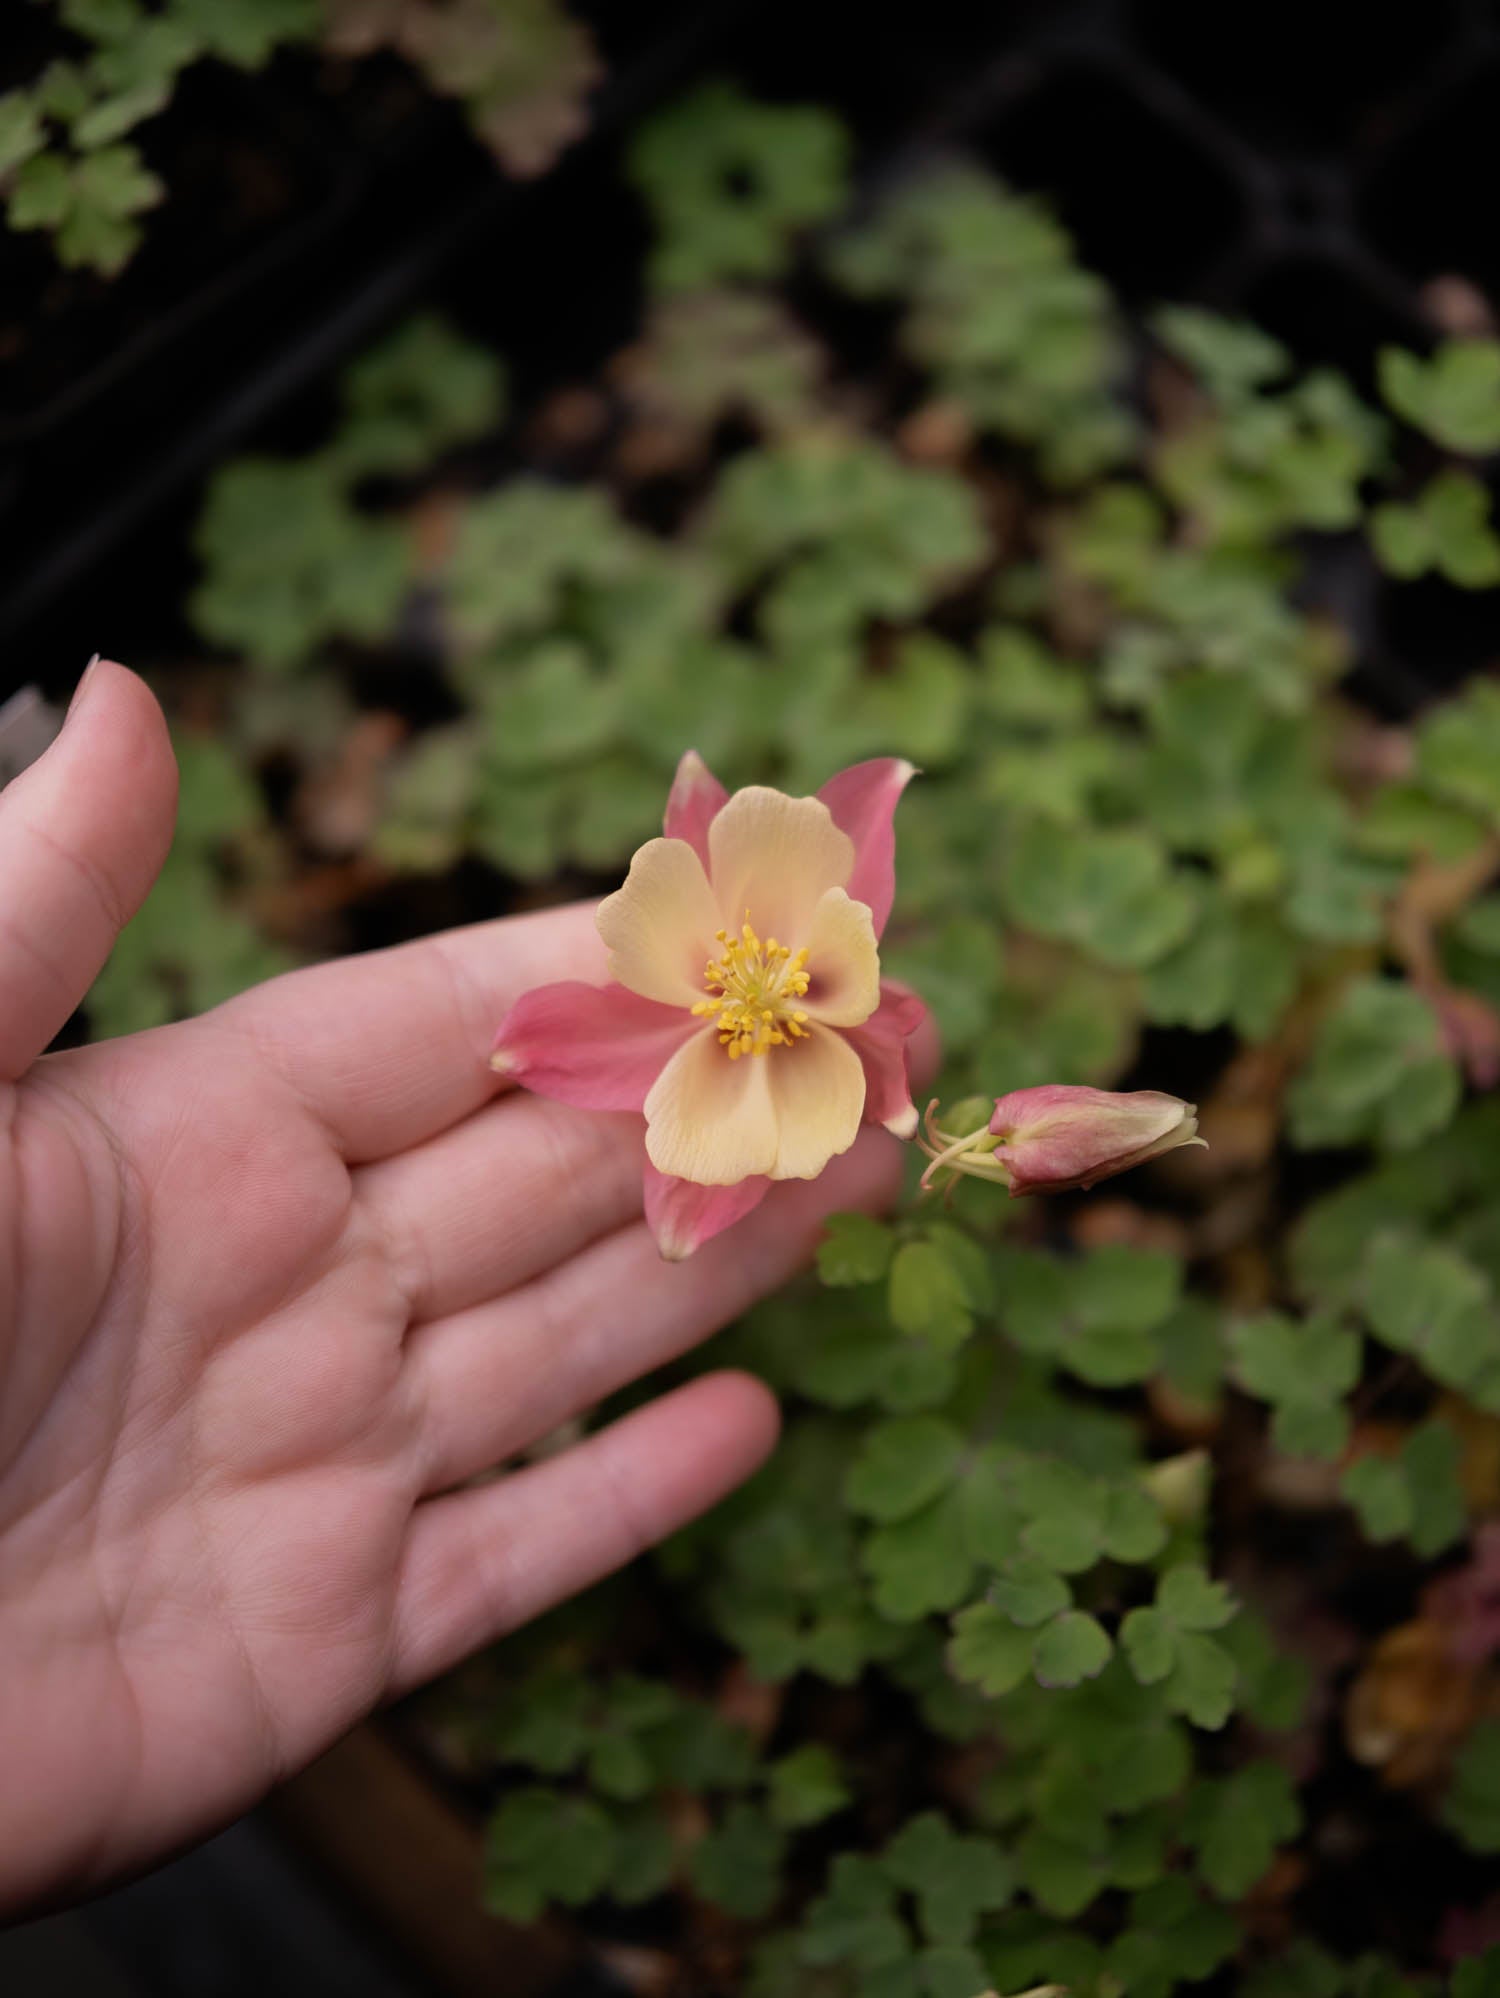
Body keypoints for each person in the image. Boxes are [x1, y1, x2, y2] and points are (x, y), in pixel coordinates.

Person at [0, 662, 920, 1916]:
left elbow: (886, 1053)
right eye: (730, 980)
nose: (748, 989)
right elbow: (545, 1043)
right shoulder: (677, 1017)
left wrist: (897, 1091)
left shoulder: (834, 984)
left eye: (754, 983)